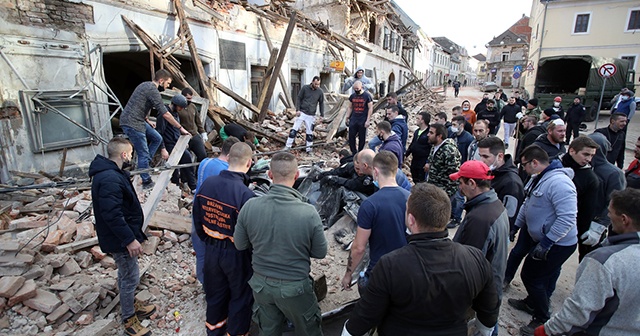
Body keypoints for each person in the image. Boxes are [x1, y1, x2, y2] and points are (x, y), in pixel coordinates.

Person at [341, 183, 499, 336]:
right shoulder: (475, 258)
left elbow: (364, 317)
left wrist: (348, 330)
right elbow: (490, 310)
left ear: (411, 219)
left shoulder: (390, 265)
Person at [234, 152, 327, 336]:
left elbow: (239, 244)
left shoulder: (250, 206)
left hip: (261, 285)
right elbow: (320, 252)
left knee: (268, 330)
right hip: (295, 288)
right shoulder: (308, 212)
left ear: (269, 175)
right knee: (309, 331)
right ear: (296, 176)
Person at [534, 188, 640, 336]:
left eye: (610, 212)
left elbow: (578, 311)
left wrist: (547, 330)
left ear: (624, 219)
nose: (608, 216)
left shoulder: (607, 261)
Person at [507, 146, 577, 336]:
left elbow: (568, 218)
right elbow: (527, 204)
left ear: (535, 163)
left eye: (525, 165)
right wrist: (517, 226)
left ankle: (542, 317)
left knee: (532, 277)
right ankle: (531, 303)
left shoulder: (559, 183)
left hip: (558, 244)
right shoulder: (537, 178)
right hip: (540, 238)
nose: (524, 169)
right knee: (538, 277)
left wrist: (547, 242)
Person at [89, 137, 156, 336]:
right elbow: (112, 214)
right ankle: (129, 318)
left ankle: (131, 304)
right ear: (124, 154)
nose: (132, 157)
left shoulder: (112, 173)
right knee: (130, 277)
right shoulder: (110, 178)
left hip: (120, 235)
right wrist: (129, 240)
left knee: (126, 273)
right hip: (120, 239)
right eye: (131, 153)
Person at [193, 143, 255, 336]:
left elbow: (197, 219)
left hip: (211, 249)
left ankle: (214, 331)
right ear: (249, 163)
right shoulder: (246, 195)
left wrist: (210, 239)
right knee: (240, 297)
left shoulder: (207, 184)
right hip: (235, 254)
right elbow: (250, 234)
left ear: (228, 159)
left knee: (215, 294)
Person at [450, 160, 509, 335]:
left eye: (461, 182)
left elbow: (467, 269)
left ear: (472, 183)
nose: (459, 187)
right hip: (490, 291)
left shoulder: (480, 220)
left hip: (479, 298)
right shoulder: (494, 205)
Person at [340, 151, 410, 293]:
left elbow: (359, 248)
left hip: (380, 271)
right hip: (405, 269)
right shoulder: (410, 198)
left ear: (375, 171)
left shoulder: (370, 205)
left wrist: (348, 275)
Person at [119, 69, 190, 189]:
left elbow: (139, 104)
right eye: (167, 83)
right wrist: (180, 127)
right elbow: (165, 114)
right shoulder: (153, 90)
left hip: (139, 120)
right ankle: (146, 181)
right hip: (132, 123)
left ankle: (145, 165)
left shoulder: (144, 85)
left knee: (157, 138)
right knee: (143, 152)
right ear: (161, 81)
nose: (167, 86)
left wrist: (147, 120)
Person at [192, 137, 240, 284]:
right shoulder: (225, 171)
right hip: (212, 218)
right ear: (231, 156)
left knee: (201, 255)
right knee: (216, 255)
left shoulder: (205, 162)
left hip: (196, 213)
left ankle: (203, 283)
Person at [561, 136, 600, 262]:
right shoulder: (555, 163)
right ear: (572, 151)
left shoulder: (590, 179)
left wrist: (582, 232)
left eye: (592, 156)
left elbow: (587, 210)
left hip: (566, 227)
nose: (588, 159)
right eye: (586, 154)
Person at [477, 136, 524, 229]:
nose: (481, 160)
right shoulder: (491, 171)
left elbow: (509, 217)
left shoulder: (511, 183)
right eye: (480, 156)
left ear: (500, 156)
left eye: (485, 156)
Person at [586, 132, 626, 243]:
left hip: (596, 223)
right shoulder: (585, 168)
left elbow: (615, 202)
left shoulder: (614, 174)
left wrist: (599, 227)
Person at [156, 94, 196, 193]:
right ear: (174, 104)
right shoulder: (164, 114)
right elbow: (159, 132)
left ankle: (185, 185)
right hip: (168, 143)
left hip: (176, 142)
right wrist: (163, 148)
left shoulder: (175, 113)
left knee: (185, 161)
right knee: (178, 163)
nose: (181, 109)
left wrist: (182, 142)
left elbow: (176, 130)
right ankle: (189, 186)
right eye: (180, 107)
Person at [425, 123, 462, 227]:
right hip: (434, 189)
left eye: (431, 133)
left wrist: (446, 194)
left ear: (439, 136)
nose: (428, 135)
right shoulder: (435, 147)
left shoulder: (449, 151)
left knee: (438, 222)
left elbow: (454, 175)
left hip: (443, 192)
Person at [285, 76, 325, 152]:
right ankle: (288, 146)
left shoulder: (320, 92)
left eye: (318, 84)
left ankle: (309, 149)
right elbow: (299, 98)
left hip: (311, 114)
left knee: (310, 133)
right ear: (312, 81)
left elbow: (321, 103)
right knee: (294, 130)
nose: (317, 86)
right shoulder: (305, 88)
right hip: (302, 112)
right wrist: (298, 109)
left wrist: (322, 115)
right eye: (316, 84)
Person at [345, 81, 373, 155]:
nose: (356, 90)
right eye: (355, 89)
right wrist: (347, 117)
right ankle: (353, 152)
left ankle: (360, 152)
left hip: (363, 119)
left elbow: (370, 108)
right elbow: (350, 107)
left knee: (362, 137)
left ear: (361, 87)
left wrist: (368, 120)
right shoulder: (352, 96)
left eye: (357, 88)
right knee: (351, 136)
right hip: (354, 119)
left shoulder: (367, 96)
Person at [179, 88, 207, 162]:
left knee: (203, 155)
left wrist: (203, 132)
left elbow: (198, 121)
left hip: (194, 135)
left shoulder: (193, 106)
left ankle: (198, 172)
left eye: (191, 98)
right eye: (188, 98)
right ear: (183, 97)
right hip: (183, 137)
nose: (190, 100)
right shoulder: (178, 108)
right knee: (186, 158)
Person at [405, 112, 431, 183]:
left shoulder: (429, 133)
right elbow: (413, 144)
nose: (416, 120)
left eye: (418, 118)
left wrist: (428, 162)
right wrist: (406, 154)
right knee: (414, 176)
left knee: (422, 179)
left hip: (423, 160)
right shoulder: (417, 131)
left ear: (422, 120)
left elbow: (432, 148)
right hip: (415, 159)